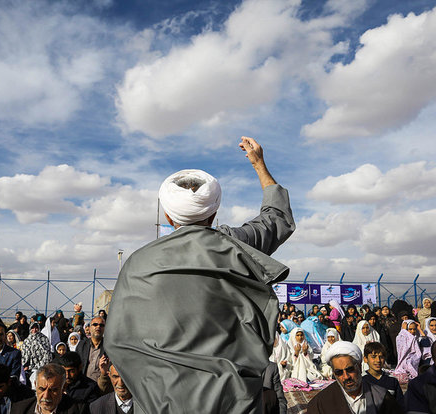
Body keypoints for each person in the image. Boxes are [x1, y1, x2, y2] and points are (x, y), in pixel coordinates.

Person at [105, 137, 294, 413]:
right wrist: (259, 164)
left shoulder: (139, 263)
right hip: (234, 403)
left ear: (169, 217)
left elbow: (117, 341)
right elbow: (277, 218)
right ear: (214, 212)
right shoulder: (235, 246)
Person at [307, 341, 403, 413]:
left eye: (350, 369)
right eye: (339, 372)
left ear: (360, 367)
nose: (346, 377)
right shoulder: (320, 403)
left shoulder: (382, 397)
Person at [10, 363, 89, 414]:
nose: (46, 396)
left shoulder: (78, 410)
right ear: (35, 385)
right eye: (42, 389)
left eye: (53, 390)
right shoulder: (19, 409)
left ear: (63, 387)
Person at [362, 342, 404, 409]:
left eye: (381, 357)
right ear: (365, 359)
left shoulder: (392, 380)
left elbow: (400, 405)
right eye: (373, 357)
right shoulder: (362, 380)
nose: (378, 360)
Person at [76, 317, 107, 383]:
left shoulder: (108, 347)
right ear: (89, 328)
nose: (98, 327)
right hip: (83, 386)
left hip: (102, 386)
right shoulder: (82, 345)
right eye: (95, 324)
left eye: (101, 325)